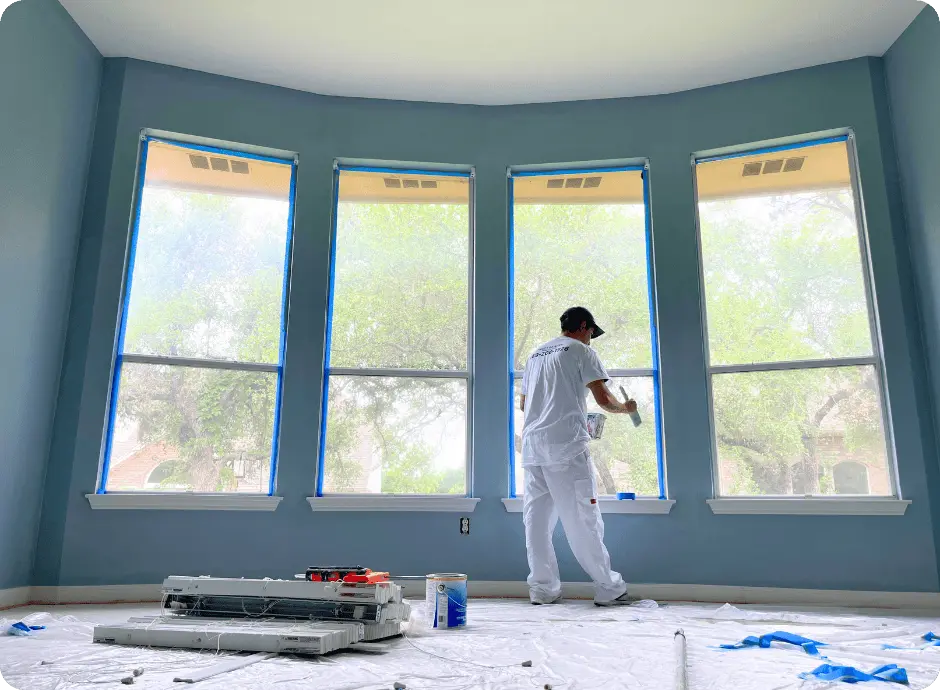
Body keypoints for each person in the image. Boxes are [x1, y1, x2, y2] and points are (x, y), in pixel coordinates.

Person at [519, 306, 638, 606]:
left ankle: (543, 590)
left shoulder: (535, 355)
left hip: (534, 449)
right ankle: (609, 589)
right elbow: (604, 399)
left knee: (536, 524)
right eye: (591, 334)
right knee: (583, 521)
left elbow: (525, 404)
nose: (591, 341)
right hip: (567, 449)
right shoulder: (580, 351)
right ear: (583, 326)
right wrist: (627, 409)